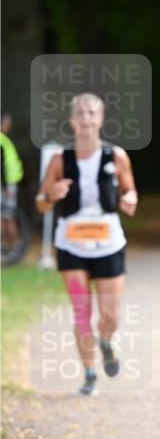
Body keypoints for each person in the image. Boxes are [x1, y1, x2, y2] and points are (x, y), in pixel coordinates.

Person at [36, 93, 138, 396]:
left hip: (108, 243)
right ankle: (90, 374)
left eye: (92, 113)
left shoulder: (116, 155)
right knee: (82, 313)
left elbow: (130, 192)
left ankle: (106, 340)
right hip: (71, 245)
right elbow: (41, 204)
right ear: (72, 120)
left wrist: (129, 199)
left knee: (110, 316)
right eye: (80, 113)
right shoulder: (59, 160)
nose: (86, 118)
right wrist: (52, 194)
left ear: (101, 119)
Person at [1, 113, 25, 247]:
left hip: (9, 184)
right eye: (6, 122)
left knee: (7, 216)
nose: (8, 125)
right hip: (6, 185)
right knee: (6, 217)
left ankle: (12, 249)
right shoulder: (2, 141)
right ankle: (11, 248)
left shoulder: (4, 140)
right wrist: (5, 187)